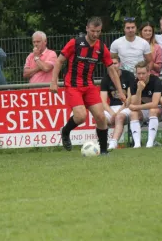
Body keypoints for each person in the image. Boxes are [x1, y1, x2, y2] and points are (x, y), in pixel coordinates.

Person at [50, 17, 126, 155]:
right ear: (86, 28)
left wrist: (120, 91)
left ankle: (103, 151)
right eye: (92, 31)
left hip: (89, 86)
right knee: (80, 116)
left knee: (101, 117)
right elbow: (59, 61)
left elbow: (111, 70)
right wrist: (53, 81)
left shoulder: (101, 48)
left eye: (98, 31)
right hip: (73, 85)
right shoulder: (75, 43)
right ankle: (65, 131)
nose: (95, 34)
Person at [100, 56, 134, 150]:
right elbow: (103, 101)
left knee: (119, 117)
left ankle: (113, 143)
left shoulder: (129, 75)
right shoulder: (105, 79)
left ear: (120, 64)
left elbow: (130, 98)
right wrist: (112, 113)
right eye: (111, 64)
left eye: (115, 63)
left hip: (126, 107)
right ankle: (101, 143)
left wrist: (118, 112)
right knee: (100, 118)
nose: (113, 66)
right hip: (112, 108)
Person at [129, 61, 162, 148]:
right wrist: (139, 90)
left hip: (159, 109)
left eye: (143, 73)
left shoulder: (156, 80)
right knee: (133, 113)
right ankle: (137, 144)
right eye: (138, 73)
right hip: (143, 110)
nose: (141, 76)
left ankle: (150, 142)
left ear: (148, 72)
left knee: (152, 110)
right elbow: (135, 103)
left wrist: (136, 107)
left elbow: (155, 103)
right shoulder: (134, 83)